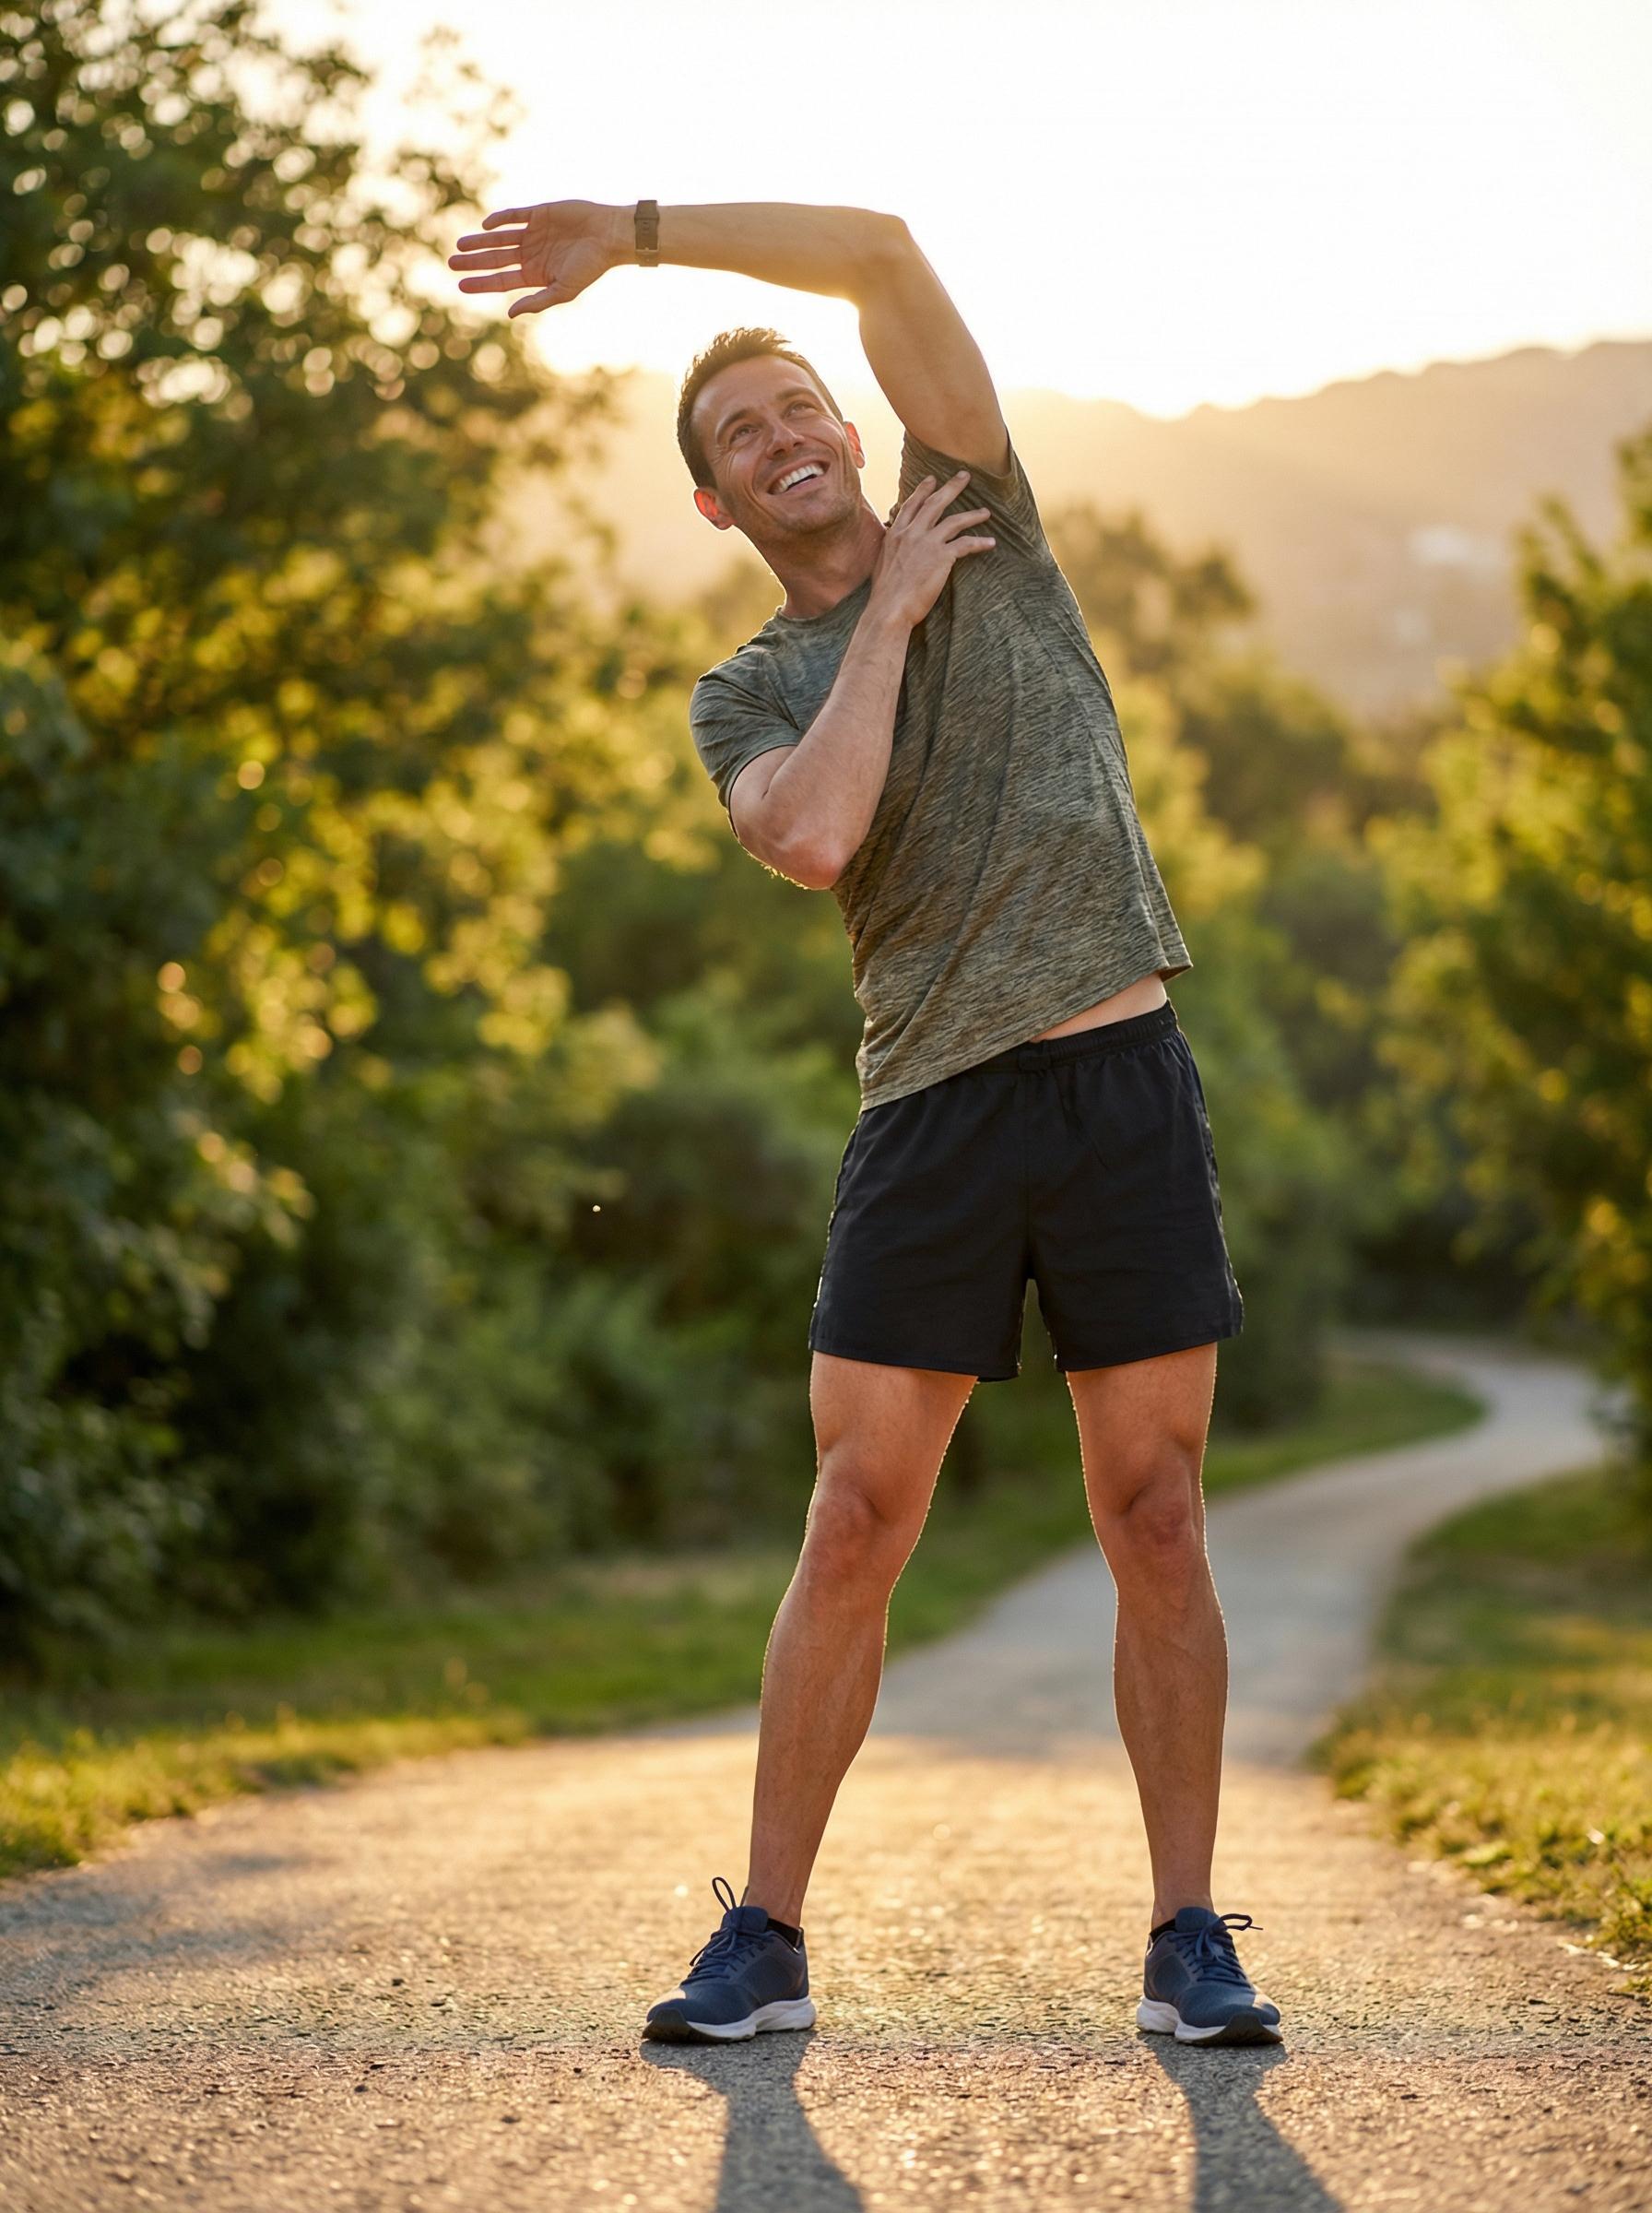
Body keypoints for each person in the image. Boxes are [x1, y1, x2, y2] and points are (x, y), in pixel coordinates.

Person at [450, 199, 1281, 2050]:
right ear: (714, 506)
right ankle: (764, 1936)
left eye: (796, 400)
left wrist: (644, 238)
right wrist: (884, 620)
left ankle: (1185, 1939)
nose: (783, 433)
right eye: (740, 434)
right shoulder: (746, 689)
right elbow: (816, 835)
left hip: (1117, 1083)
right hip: (929, 1113)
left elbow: (888, 252)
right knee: (854, 1518)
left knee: (1153, 1516)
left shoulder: (976, 505)